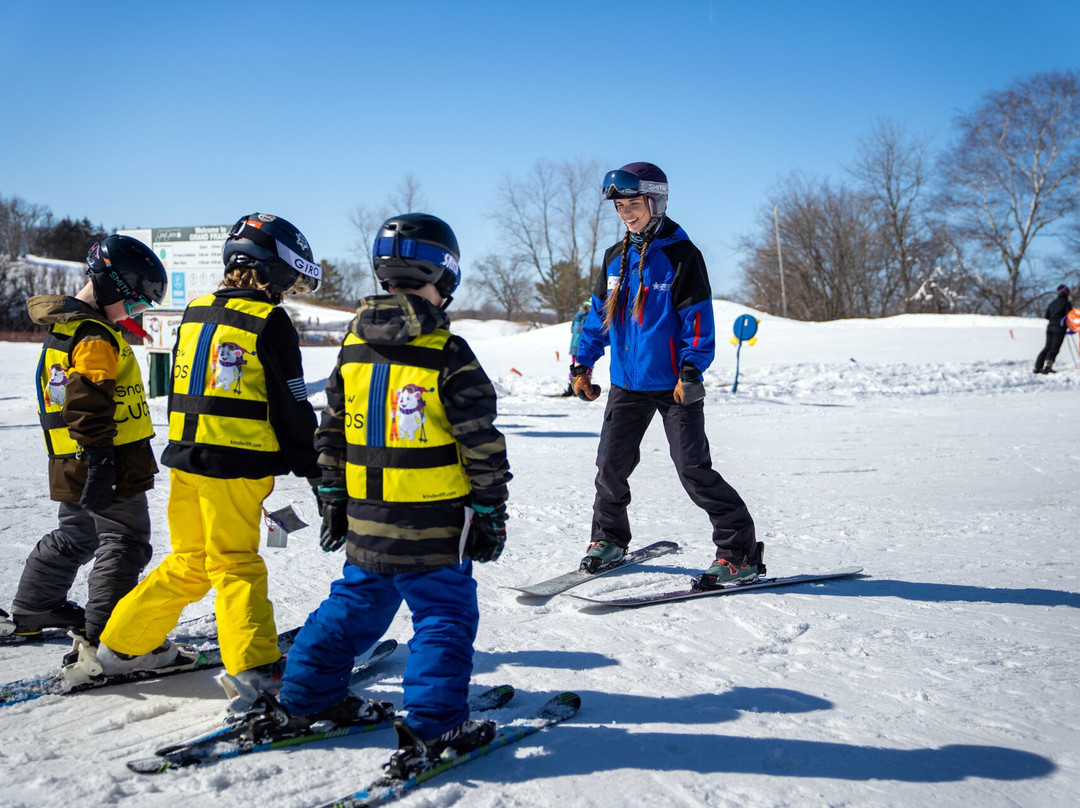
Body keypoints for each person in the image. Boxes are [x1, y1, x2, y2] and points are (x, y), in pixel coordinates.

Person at [254, 213, 511, 777]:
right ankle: (437, 724)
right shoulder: (448, 350)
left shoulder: (353, 347)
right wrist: (491, 509)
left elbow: (331, 430)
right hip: (436, 527)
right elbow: (481, 444)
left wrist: (333, 497)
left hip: (368, 519)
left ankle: (305, 696)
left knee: (354, 605)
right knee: (443, 616)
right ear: (445, 275)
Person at [63, 213, 323, 692]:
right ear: (279, 269)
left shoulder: (198, 310)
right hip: (235, 466)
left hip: (186, 462)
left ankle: (121, 646)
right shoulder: (271, 321)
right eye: (292, 281)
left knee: (191, 561)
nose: (290, 292)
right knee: (235, 563)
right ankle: (255, 668)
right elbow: (292, 406)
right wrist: (317, 470)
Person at [571, 162, 763, 589]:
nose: (626, 212)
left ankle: (739, 553)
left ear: (654, 202)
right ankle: (608, 540)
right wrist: (582, 363)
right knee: (609, 467)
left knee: (693, 470)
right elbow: (596, 317)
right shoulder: (614, 259)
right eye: (620, 206)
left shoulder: (681, 254)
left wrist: (691, 370)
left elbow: (697, 319)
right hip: (626, 384)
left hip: (675, 385)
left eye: (633, 204)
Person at [5, 236, 166, 642]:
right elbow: (87, 403)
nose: (135, 314)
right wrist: (102, 461)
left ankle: (36, 605)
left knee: (77, 535)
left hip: (70, 461)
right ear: (114, 287)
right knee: (125, 541)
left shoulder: (66, 327)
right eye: (134, 304)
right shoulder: (94, 337)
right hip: (106, 459)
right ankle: (113, 638)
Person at [1034, 284, 1074, 374]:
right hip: (1059, 328)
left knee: (1047, 346)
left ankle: (1038, 366)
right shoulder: (1067, 303)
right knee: (1054, 348)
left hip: (1050, 327)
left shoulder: (1052, 303)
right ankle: (1047, 366)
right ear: (1066, 293)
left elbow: (1047, 316)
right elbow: (1070, 316)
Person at [560, 300, 592, 396]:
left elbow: (572, 329)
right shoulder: (589, 316)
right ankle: (582, 389)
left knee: (575, 366)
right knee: (587, 366)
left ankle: (572, 388)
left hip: (574, 345)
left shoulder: (578, 315)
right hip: (585, 344)